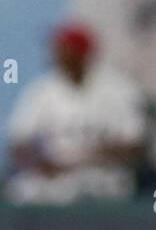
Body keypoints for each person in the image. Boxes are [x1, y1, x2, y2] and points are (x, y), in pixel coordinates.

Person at [6, 23, 146, 204]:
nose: (57, 54)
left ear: (82, 54)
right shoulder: (43, 90)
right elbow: (18, 144)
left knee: (95, 188)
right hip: (57, 174)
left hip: (103, 174)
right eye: (57, 48)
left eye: (64, 48)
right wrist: (39, 163)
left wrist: (88, 156)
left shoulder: (117, 88)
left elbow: (138, 145)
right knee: (22, 191)